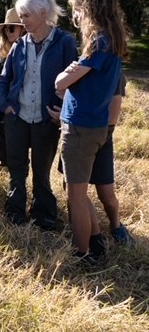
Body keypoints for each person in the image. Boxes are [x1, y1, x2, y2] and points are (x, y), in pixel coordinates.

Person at [55, 0, 129, 265]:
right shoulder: (111, 38)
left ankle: (82, 253)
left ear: (90, 7)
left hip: (80, 127)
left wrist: (65, 76)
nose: (76, 15)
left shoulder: (98, 41)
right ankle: (96, 239)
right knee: (77, 188)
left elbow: (62, 82)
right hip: (95, 125)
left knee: (75, 194)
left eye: (79, 8)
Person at [0, 0, 78, 230]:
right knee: (16, 166)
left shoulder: (64, 42)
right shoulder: (19, 44)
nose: (22, 21)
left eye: (26, 15)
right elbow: (4, 78)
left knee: (41, 170)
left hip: (46, 119)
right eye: (21, 16)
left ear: (43, 13)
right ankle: (15, 210)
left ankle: (44, 214)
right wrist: (6, 105)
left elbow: (74, 82)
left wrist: (62, 111)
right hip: (17, 117)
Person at [52, 71, 134, 261]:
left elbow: (113, 114)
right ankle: (95, 238)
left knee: (106, 194)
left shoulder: (113, 73)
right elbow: (65, 92)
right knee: (72, 187)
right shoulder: (82, 68)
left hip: (99, 136)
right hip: (76, 132)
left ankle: (116, 226)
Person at [0, 8, 24, 167]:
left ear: (23, 29)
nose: (8, 32)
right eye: (5, 28)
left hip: (17, 105)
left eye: (12, 28)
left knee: (16, 144)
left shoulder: (27, 50)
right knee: (1, 141)